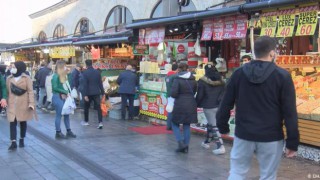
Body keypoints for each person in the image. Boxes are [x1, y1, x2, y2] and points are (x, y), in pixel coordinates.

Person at [216, 36, 299, 180]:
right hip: (271, 136)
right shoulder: (283, 76)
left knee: (237, 172)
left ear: (255, 52)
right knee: (268, 175)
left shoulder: (238, 73)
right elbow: (290, 112)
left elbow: (225, 103)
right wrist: (292, 142)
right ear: (272, 53)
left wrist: (222, 127)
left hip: (243, 134)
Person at [196, 64, 225, 155]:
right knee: (211, 123)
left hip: (208, 106)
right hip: (219, 105)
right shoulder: (221, 80)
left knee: (213, 125)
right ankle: (207, 142)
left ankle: (220, 146)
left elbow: (200, 95)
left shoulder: (202, 81)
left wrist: (197, 104)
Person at [6, 61, 34, 151]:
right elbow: (7, 92)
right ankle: (13, 142)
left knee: (22, 122)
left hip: (23, 103)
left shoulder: (26, 78)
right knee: (12, 122)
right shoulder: (9, 78)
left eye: (14, 67)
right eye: (12, 67)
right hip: (12, 103)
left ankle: (22, 138)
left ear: (19, 68)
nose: (12, 68)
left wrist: (31, 103)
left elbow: (30, 91)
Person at [170, 63, 197, 153]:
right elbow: (195, 91)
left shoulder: (177, 79)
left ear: (179, 69)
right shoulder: (193, 79)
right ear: (187, 69)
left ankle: (180, 143)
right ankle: (186, 146)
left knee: (174, 123)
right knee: (186, 125)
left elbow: (173, 93)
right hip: (191, 104)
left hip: (180, 104)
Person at [51, 60, 77, 139]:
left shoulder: (63, 75)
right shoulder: (55, 76)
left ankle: (68, 131)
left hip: (64, 96)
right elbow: (55, 87)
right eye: (65, 66)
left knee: (66, 114)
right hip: (58, 97)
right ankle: (58, 132)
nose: (66, 67)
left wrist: (68, 74)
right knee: (59, 115)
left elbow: (69, 83)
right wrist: (65, 91)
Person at [81, 59, 105, 129]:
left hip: (88, 93)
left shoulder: (85, 73)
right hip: (96, 92)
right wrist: (103, 92)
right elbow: (100, 83)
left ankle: (86, 121)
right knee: (98, 107)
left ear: (86, 65)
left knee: (86, 107)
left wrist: (85, 94)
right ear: (92, 64)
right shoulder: (97, 72)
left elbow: (84, 84)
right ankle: (100, 122)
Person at [165, 64, 179, 130]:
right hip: (174, 95)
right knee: (174, 111)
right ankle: (173, 125)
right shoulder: (175, 76)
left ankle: (168, 125)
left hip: (169, 94)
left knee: (170, 110)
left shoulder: (167, 76)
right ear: (177, 69)